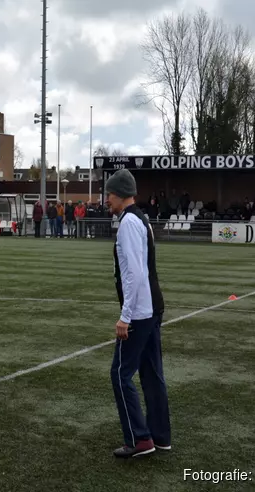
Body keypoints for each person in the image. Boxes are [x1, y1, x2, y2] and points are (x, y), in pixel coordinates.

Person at [104, 169, 170, 459]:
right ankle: (160, 436)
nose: (106, 200)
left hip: (141, 311)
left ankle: (140, 439)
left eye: (108, 194)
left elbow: (134, 273)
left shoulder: (129, 222)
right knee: (152, 374)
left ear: (118, 194)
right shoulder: (142, 219)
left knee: (120, 374)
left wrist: (125, 315)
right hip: (152, 307)